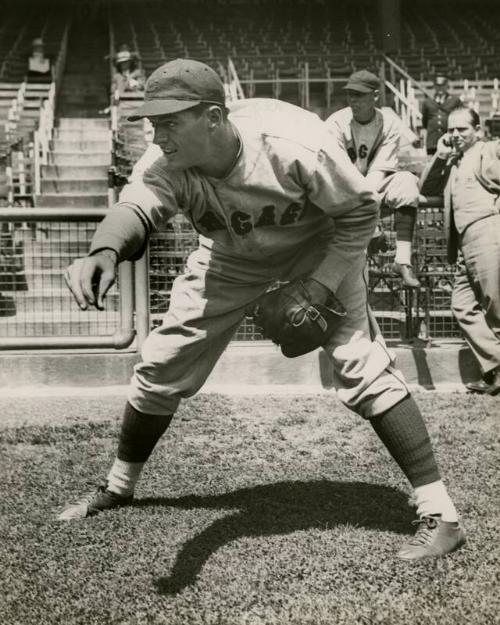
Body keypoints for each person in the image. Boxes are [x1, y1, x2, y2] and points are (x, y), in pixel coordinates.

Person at [58, 59, 465, 561]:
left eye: (169, 121)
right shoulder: (166, 163)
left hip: (320, 243)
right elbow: (136, 207)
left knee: (361, 364)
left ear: (212, 117)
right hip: (230, 254)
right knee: (161, 363)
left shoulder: (292, 144)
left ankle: (441, 513)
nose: (156, 133)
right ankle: (119, 486)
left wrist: (321, 284)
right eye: (153, 121)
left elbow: (360, 212)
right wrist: (104, 251)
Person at [420, 107, 500, 395]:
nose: (454, 135)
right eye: (450, 130)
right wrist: (440, 154)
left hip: (488, 231)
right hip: (465, 242)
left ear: (477, 130)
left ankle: (495, 374)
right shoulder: (452, 160)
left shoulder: (487, 150)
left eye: (462, 130)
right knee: (462, 305)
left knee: (495, 307)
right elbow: (425, 186)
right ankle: (496, 365)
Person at [325, 70, 421, 288]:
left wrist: (370, 216)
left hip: (372, 186)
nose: (353, 100)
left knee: (407, 181)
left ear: (375, 96)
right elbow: (339, 172)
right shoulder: (336, 123)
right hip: (341, 186)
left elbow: (379, 171)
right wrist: (372, 224)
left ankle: (403, 261)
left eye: (359, 95)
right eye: (350, 94)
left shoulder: (390, 123)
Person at [420, 76, 462, 156]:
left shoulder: (455, 100)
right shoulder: (427, 102)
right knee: (432, 164)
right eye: (438, 86)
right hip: (432, 141)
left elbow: (461, 117)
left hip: (449, 139)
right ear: (434, 86)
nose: (440, 88)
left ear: (447, 86)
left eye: (442, 86)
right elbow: (424, 122)